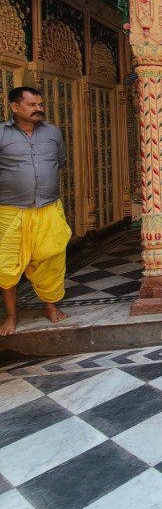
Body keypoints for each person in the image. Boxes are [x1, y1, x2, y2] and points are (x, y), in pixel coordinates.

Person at [0, 87, 71, 335]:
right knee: (6, 265)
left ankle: (50, 306)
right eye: (32, 105)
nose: (38, 108)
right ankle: (11, 315)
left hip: (48, 207)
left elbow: (60, 161)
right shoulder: (1, 133)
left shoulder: (52, 132)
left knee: (50, 258)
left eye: (40, 104)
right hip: (10, 210)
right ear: (15, 107)